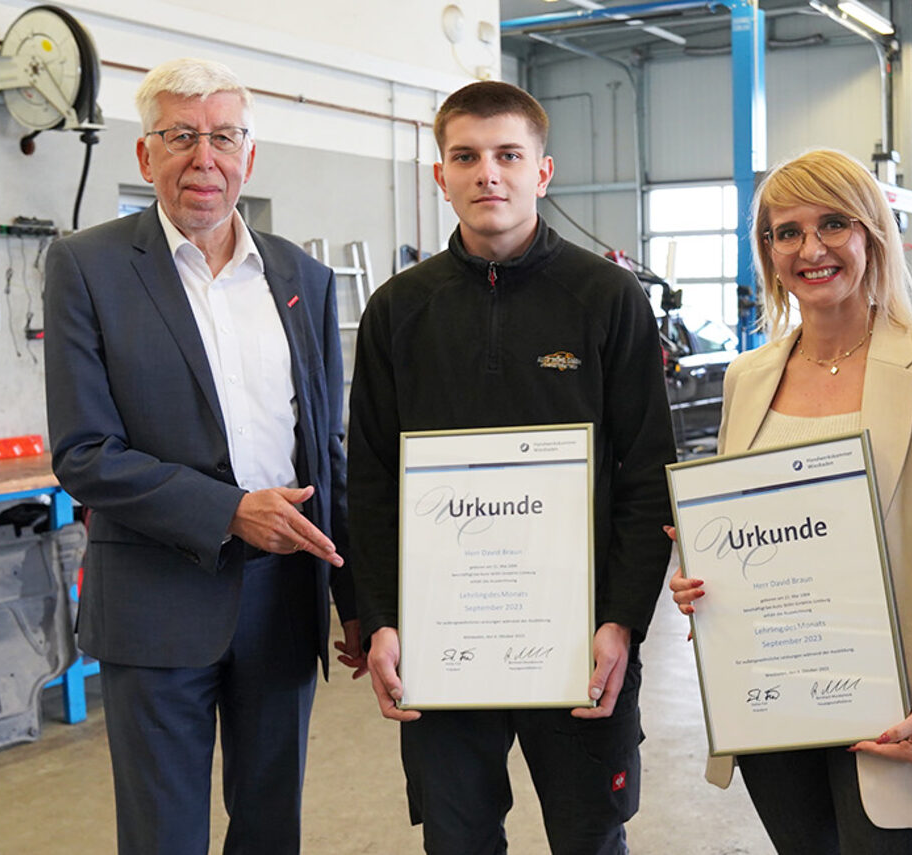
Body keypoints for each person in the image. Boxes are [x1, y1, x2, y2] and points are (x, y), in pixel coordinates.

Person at [345, 81, 676, 854]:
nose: (487, 173)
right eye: (466, 156)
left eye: (508, 155)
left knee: (591, 836)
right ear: (441, 175)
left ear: (542, 170)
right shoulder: (398, 312)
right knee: (457, 840)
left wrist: (621, 619)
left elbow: (645, 471)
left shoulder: (608, 298)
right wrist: (384, 616)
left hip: (577, 638)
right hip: (442, 640)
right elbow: (370, 480)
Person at [44, 57, 363, 854]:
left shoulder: (304, 277)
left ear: (248, 155)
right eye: (181, 135)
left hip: (283, 600)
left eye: (223, 135)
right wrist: (227, 510)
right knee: (164, 837)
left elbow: (324, 447)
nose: (204, 157)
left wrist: (356, 598)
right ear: (146, 154)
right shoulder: (88, 268)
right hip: (156, 601)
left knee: (269, 828)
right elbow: (83, 452)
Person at [669, 148, 912, 855]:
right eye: (785, 232)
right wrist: (702, 577)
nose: (810, 248)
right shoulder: (748, 378)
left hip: (896, 706)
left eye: (832, 223)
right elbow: (740, 532)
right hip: (770, 701)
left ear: (871, 233)